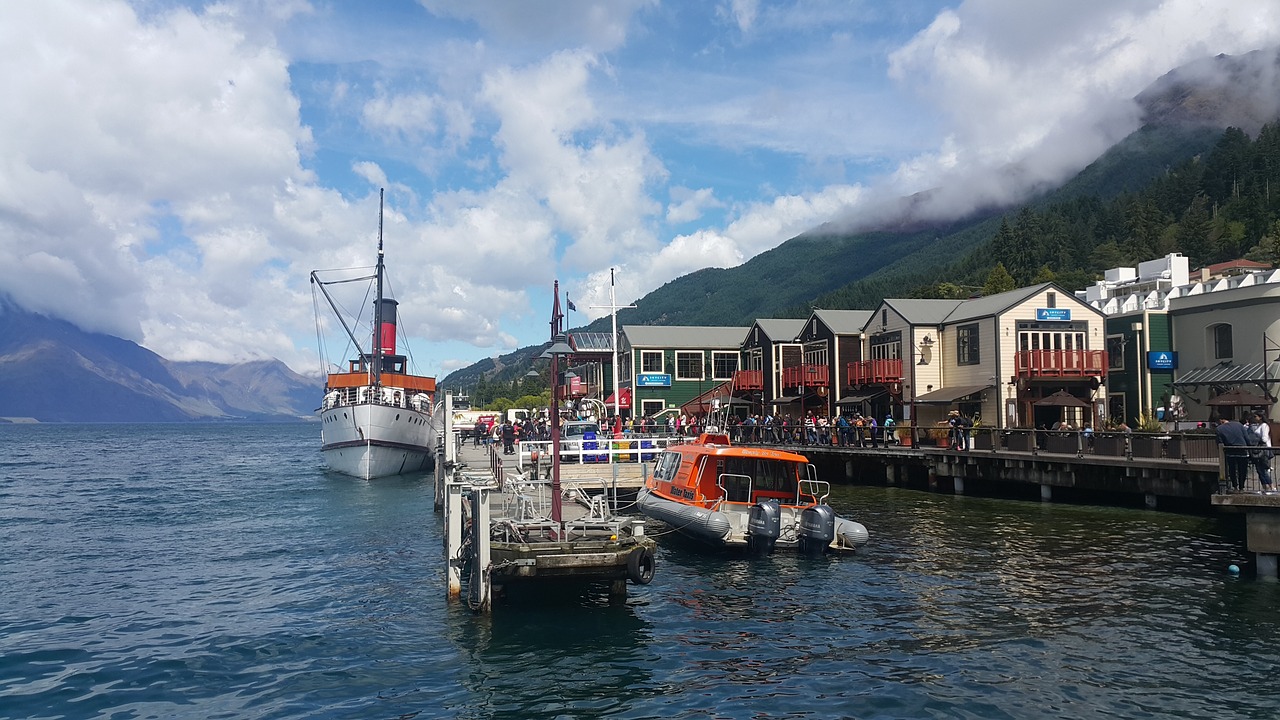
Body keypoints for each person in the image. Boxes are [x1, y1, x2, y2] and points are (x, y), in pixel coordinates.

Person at [1215, 416, 1251, 492]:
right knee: (1243, 470)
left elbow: (1220, 442)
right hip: (1242, 450)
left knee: (1232, 470)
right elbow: (1247, 438)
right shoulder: (1239, 425)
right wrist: (1250, 447)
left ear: (1221, 420)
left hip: (1230, 451)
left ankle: (1234, 487)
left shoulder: (1219, 429)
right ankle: (1241, 487)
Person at [1247, 412, 1273, 492]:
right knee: (1259, 469)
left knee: (1263, 469)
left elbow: (1264, 438)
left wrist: (1256, 439)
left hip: (1264, 449)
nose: (1254, 418)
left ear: (1260, 417)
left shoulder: (1264, 426)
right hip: (1258, 449)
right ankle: (1265, 487)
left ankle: (1271, 486)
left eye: (1255, 416)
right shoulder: (1259, 426)